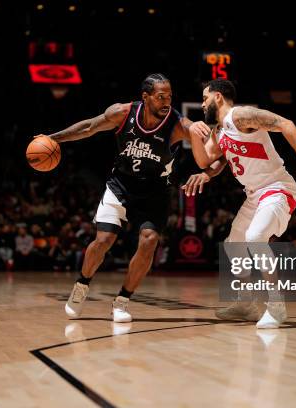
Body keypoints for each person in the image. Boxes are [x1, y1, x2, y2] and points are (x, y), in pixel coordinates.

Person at [35, 73, 192, 322]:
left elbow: (201, 136)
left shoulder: (177, 123)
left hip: (155, 191)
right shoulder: (122, 113)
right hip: (121, 185)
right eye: (161, 97)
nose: (166, 102)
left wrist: (210, 141)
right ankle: (82, 285)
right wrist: (52, 138)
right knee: (104, 240)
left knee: (149, 241)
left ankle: (122, 301)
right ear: (146, 97)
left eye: (170, 96)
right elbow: (88, 127)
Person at [186, 79, 296, 328]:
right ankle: (246, 303)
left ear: (218, 97)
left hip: (277, 188)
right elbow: (205, 159)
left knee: (255, 238)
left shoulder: (242, 116)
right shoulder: (219, 131)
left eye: (205, 97)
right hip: (254, 195)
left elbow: (285, 124)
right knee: (233, 246)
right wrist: (194, 137)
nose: (202, 102)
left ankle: (277, 304)